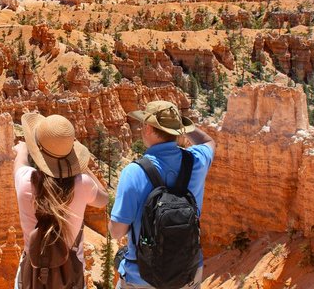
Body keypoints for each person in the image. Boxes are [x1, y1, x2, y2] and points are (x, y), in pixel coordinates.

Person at [110, 101, 215, 289]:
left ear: (149, 128)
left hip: (142, 278)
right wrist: (185, 126)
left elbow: (116, 232)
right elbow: (208, 142)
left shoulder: (133, 172)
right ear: (177, 130)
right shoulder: (196, 161)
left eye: (144, 124)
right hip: (188, 274)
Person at [13, 113, 109, 288]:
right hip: (70, 277)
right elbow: (104, 198)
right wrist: (82, 167)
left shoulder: (24, 180)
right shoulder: (83, 184)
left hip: (32, 277)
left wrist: (23, 149)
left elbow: (19, 161)